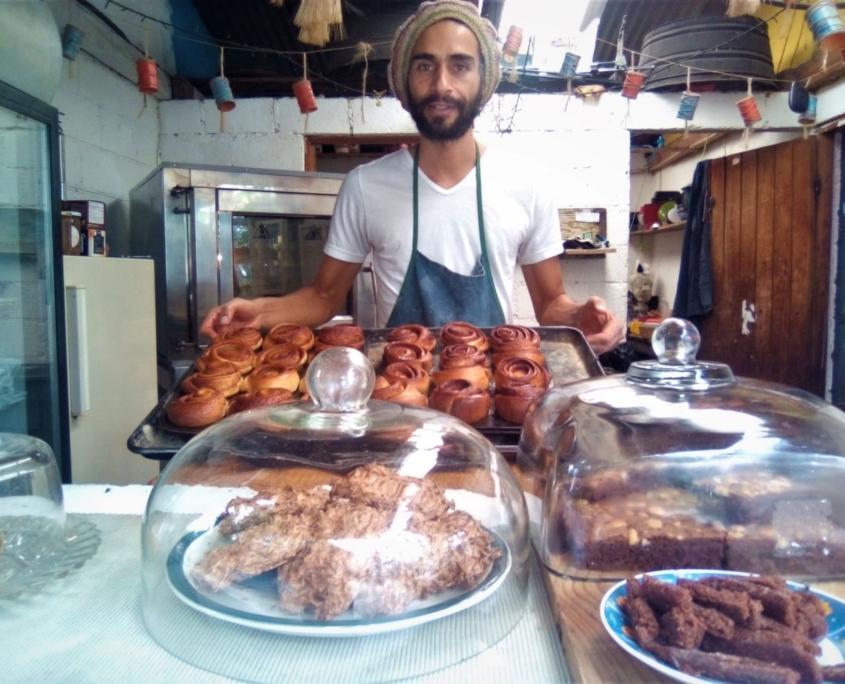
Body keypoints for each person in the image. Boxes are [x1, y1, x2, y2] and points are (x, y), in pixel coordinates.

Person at [201, 0, 625, 353]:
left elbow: (551, 304)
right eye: (425, 66)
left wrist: (581, 319)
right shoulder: (365, 186)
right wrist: (260, 313)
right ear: (406, 80)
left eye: (460, 66)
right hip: (401, 394)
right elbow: (324, 298)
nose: (442, 85)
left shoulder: (525, 185)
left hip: (488, 399)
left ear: (483, 80)